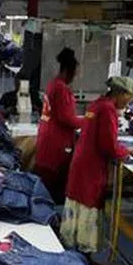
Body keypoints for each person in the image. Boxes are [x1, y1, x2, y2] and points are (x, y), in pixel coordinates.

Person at [60, 75, 133, 265]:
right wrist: (127, 151)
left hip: (82, 163)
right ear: (121, 94)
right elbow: (108, 145)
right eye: (129, 98)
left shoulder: (97, 105)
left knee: (78, 211)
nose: (128, 102)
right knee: (88, 210)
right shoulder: (107, 110)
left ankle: (80, 260)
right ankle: (83, 264)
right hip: (92, 168)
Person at [33, 47, 83, 203]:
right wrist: (89, 121)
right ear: (68, 69)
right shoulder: (62, 89)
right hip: (57, 146)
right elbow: (67, 119)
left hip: (47, 140)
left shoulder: (52, 85)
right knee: (54, 190)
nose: (75, 76)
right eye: (74, 72)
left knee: (44, 185)